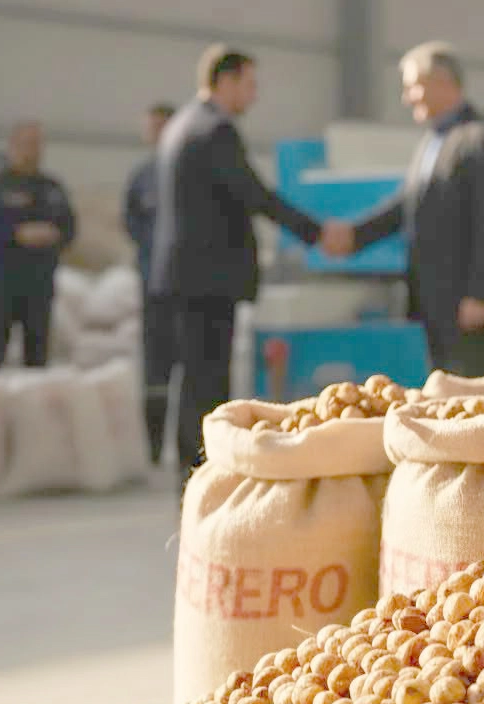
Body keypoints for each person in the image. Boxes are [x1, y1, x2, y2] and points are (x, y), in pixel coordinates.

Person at [152, 45, 322, 492]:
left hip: (187, 277)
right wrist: (316, 232)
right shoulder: (215, 130)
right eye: (249, 84)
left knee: (193, 378)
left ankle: (190, 474)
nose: (254, 95)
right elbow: (254, 194)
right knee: (208, 383)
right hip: (208, 280)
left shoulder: (181, 125)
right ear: (225, 81)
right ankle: (203, 473)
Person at [321, 42, 484, 378]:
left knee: (472, 394)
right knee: (441, 391)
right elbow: (409, 205)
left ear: (442, 82)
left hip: (469, 306)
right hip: (436, 302)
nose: (407, 98)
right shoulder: (433, 141)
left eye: (413, 86)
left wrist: (479, 294)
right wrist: (354, 236)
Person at [0, 120, 76, 369]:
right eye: (26, 144)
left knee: (37, 357)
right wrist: (17, 234)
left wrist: (52, 235)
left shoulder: (52, 188)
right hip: (2, 281)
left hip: (39, 283)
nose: (32, 150)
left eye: (37, 144)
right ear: (13, 146)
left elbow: (70, 229)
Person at [123, 102, 176, 464]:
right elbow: (131, 220)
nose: (155, 133)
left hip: (185, 285)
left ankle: (191, 444)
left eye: (162, 126)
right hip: (152, 283)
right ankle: (154, 447)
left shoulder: (188, 172)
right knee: (155, 367)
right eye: (151, 127)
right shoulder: (141, 177)